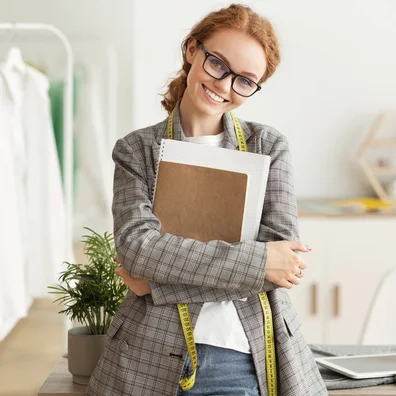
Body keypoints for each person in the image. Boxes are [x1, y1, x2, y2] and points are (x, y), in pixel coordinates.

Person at [87, 4, 327, 396]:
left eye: (245, 80)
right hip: (143, 358)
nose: (225, 85)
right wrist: (257, 261)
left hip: (240, 360)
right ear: (192, 51)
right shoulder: (136, 150)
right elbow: (137, 251)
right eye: (218, 63)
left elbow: (281, 267)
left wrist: (157, 286)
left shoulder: (268, 147)